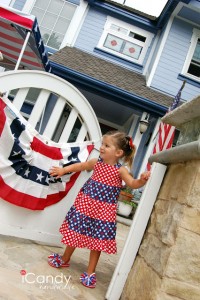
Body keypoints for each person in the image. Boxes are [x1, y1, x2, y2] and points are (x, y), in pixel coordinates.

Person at [48, 131, 150, 288]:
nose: (101, 147)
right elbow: (80, 166)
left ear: (118, 153)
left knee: (98, 241)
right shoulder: (96, 162)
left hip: (104, 212)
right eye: (102, 144)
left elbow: (132, 184)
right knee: (76, 231)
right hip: (86, 205)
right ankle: (65, 258)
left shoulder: (120, 170)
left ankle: (90, 272)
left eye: (106, 145)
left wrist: (142, 180)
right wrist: (62, 170)